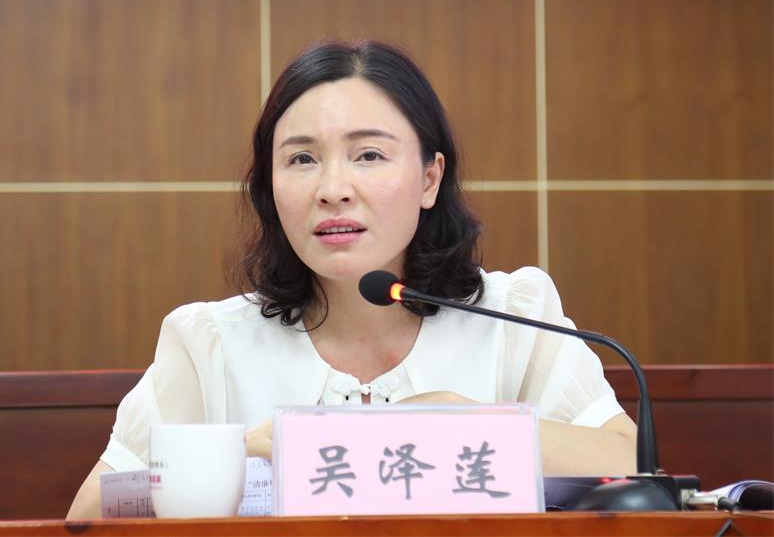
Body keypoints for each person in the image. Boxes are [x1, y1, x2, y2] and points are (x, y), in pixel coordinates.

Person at [67, 41, 636, 519]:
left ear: (430, 179)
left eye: (368, 155)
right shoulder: (209, 343)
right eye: (301, 160)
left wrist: (454, 424)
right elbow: (90, 514)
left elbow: (633, 465)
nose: (333, 189)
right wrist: (232, 463)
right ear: (270, 188)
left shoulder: (514, 318)